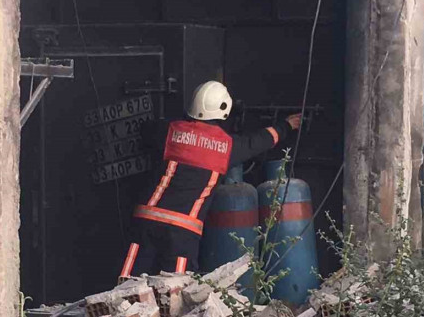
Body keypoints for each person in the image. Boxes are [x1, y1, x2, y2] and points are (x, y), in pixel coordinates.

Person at [119, 80, 302, 280]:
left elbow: (147, 130)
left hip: (146, 220)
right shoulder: (228, 147)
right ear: (224, 110)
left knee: (128, 285)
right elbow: (257, 141)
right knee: (174, 292)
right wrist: (286, 125)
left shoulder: (170, 131)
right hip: (183, 230)